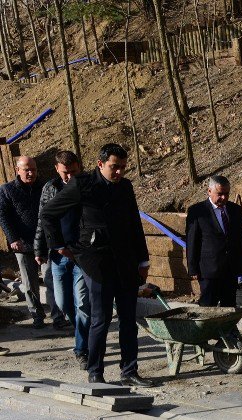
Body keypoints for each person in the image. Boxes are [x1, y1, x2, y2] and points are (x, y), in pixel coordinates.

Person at [39, 143, 156, 387]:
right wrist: (59, 244)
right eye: (114, 167)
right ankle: (95, 371)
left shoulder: (125, 187)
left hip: (125, 261)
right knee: (100, 319)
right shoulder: (82, 184)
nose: (119, 173)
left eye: (123, 168)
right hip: (95, 261)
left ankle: (129, 370)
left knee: (127, 319)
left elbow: (134, 222)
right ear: (100, 164)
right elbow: (48, 213)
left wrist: (143, 259)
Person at [36, 150, 90, 368]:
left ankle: (82, 349)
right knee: (62, 303)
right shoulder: (50, 188)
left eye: (73, 172)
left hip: (81, 254)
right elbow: (42, 219)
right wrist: (39, 248)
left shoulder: (86, 186)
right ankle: (80, 331)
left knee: (82, 304)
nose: (69, 177)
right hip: (57, 255)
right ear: (57, 169)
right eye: (65, 173)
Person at [185, 175, 242, 307]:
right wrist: (193, 268)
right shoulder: (197, 212)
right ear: (209, 191)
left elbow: (241, 238)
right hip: (208, 271)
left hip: (230, 269)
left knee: (229, 307)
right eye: (220, 194)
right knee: (208, 306)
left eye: (226, 194)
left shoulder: (235, 210)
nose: (224, 198)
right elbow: (192, 242)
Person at [0, 156, 45, 328]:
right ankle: (37, 315)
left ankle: (58, 316)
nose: (30, 173)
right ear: (17, 170)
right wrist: (13, 239)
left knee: (51, 278)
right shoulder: (7, 190)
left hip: (45, 242)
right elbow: (3, 216)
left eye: (33, 169)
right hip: (23, 243)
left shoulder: (44, 187)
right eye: (26, 169)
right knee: (29, 282)